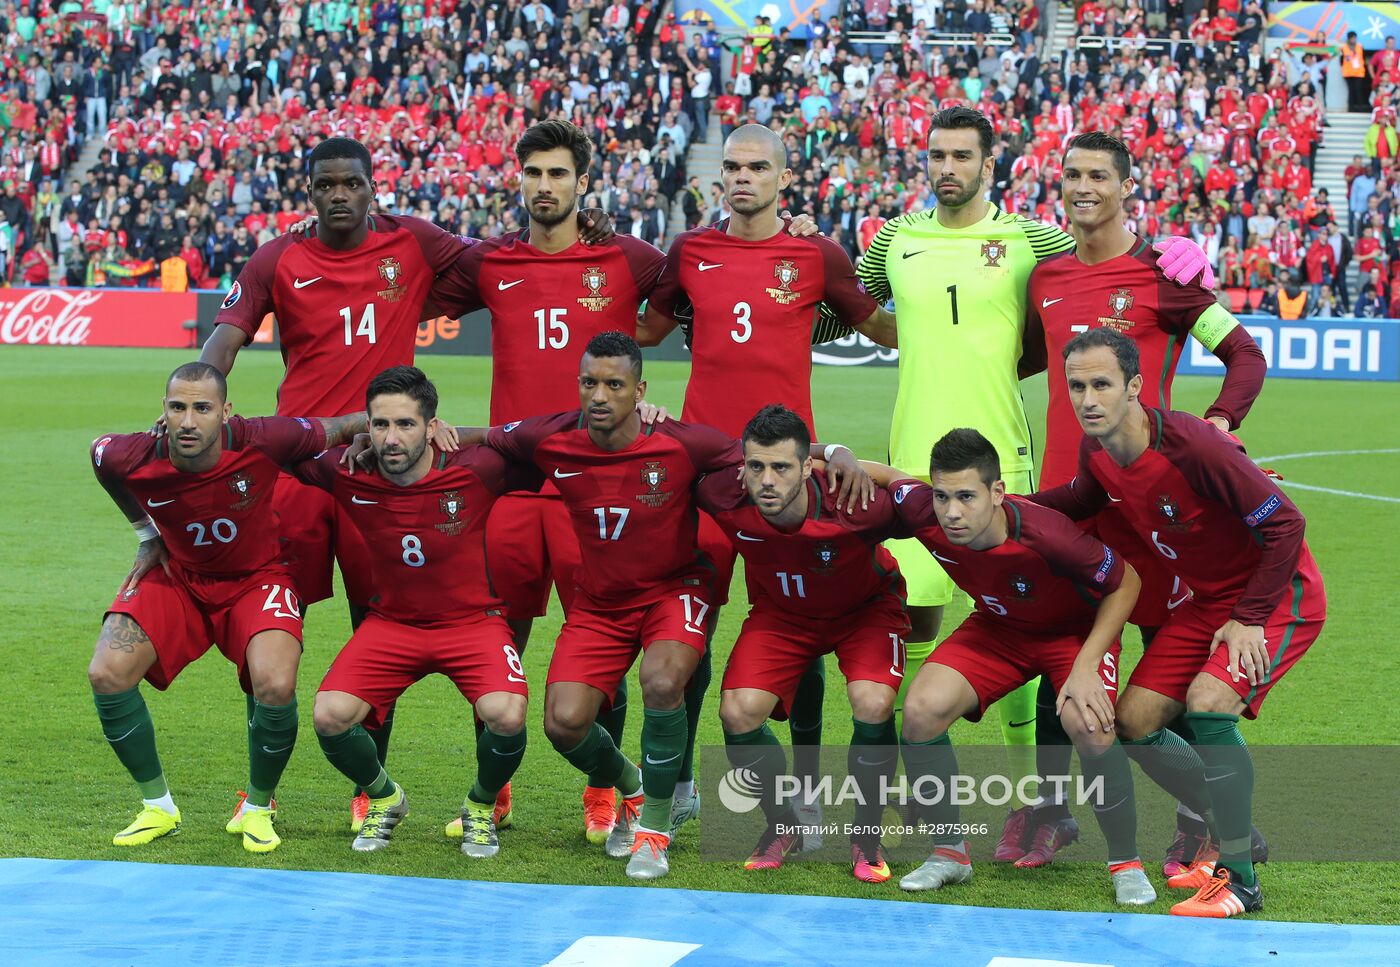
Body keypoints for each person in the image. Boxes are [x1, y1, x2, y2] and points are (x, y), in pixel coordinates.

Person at [205, 135, 613, 831]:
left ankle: (373, 790)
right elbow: (225, 336)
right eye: (325, 184)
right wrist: (202, 398)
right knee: (274, 632)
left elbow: (504, 260)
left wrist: (579, 227)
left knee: (377, 625)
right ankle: (258, 796)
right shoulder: (278, 255)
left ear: (373, 188)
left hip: (380, 472)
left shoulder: (414, 245)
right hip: (305, 471)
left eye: (351, 183)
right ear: (310, 192)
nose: (339, 195)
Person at [428, 119, 817, 843]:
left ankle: (605, 793)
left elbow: (701, 288)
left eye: (557, 174)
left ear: (583, 183)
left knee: (602, 639)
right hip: (517, 484)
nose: (544, 186)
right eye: (533, 173)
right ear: (520, 179)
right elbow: (406, 280)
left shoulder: (630, 259)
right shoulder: (490, 262)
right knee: (497, 639)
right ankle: (494, 787)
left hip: (600, 487)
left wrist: (791, 231)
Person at [855, 107, 1211, 857]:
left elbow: (1102, 256)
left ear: (991, 165)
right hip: (912, 453)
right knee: (916, 626)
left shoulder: (1033, 240)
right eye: (936, 154)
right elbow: (848, 305)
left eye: (963, 155)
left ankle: (1041, 800)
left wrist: (1178, 251)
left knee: (1031, 626)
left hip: (1010, 464)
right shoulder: (893, 238)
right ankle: (911, 814)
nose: (947, 166)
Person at [466, 332, 868, 880]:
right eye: (590, 383)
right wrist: (426, 433)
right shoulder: (551, 437)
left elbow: (766, 457)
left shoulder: (681, 441)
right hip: (601, 602)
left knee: (662, 681)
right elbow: (484, 439)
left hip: (675, 590)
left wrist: (836, 451)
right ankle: (634, 787)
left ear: (640, 390)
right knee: (563, 724)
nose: (600, 396)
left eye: (615, 385)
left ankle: (654, 829)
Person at [641, 122, 895, 848]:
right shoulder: (690, 251)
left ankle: (806, 792)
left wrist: (975, 317)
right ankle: (682, 784)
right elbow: (647, 329)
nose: (742, 177)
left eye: (757, 166)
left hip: (793, 472)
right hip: (706, 475)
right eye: (733, 166)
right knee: (688, 629)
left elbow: (877, 323)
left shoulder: (815, 254)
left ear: (784, 178)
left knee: (804, 629)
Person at [1020, 131, 1267, 870]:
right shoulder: (1045, 277)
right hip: (1074, 505)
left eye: (1099, 174)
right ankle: (1049, 810)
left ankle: (1206, 819)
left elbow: (1245, 354)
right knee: (1057, 658)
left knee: (1167, 670)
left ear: (1128, 186)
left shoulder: (1166, 273)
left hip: (1151, 511)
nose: (1083, 185)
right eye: (1072, 174)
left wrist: (1219, 427)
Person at [1034, 327, 1326, 918]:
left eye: (1102, 384)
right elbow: (1078, 502)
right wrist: (997, 506)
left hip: (1276, 595)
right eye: (1076, 386)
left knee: (1209, 705)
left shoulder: (1192, 444)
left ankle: (1240, 881)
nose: (1088, 399)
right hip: (1209, 600)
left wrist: (1248, 618)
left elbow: (1286, 525)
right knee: (1135, 722)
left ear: (1135, 386)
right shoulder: (1099, 451)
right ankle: (1235, 827)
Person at [855, 428, 1152, 906]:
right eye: (943, 495)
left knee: (1089, 724)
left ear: (997, 493)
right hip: (999, 628)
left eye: (967, 497)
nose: (952, 511)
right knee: (921, 710)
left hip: (1073, 635)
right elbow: (890, 477)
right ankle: (950, 854)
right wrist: (828, 454)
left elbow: (1126, 582)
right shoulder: (924, 511)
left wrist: (1086, 664)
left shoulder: (1045, 532)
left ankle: (1127, 863)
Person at [87, 362, 364, 853]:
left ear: (225, 413)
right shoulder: (128, 453)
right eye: (178, 408)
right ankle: (158, 808)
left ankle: (257, 808)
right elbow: (101, 461)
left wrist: (412, 425)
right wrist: (146, 533)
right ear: (163, 411)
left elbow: (340, 427)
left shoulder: (263, 438)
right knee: (107, 672)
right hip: (181, 579)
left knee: (275, 684)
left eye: (202, 408)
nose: (189, 421)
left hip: (257, 580)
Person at [291, 367, 541, 857]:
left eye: (405, 424)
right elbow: (274, 450)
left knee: (506, 715)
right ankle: (386, 798)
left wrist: (479, 434)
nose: (390, 437)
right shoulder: (348, 470)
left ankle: (480, 806)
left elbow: (552, 443)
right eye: (379, 424)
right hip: (392, 625)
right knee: (329, 716)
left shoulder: (475, 469)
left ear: (432, 426)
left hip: (472, 623)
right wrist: (342, 431)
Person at [694, 404, 909, 883]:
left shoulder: (854, 500)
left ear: (807, 468)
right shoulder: (722, 493)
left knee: (872, 703)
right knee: (737, 713)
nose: (766, 480)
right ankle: (784, 824)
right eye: (756, 466)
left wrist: (848, 457)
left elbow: (924, 498)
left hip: (865, 613)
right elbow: (660, 463)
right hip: (784, 617)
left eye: (781, 467)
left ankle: (865, 837)